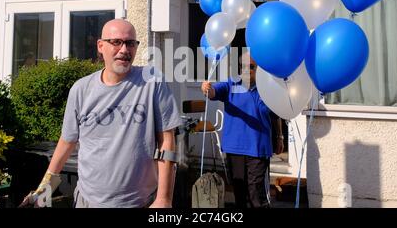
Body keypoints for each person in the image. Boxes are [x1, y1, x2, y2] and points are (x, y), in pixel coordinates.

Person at [20, 19, 182, 208]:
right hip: (87, 201)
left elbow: (167, 140)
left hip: (140, 202)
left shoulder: (152, 81)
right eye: (116, 42)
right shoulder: (81, 89)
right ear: (100, 46)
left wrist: (163, 199)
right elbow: (67, 142)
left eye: (130, 43)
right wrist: (43, 191)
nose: (124, 50)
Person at [201, 51, 284, 208]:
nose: (246, 70)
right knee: (239, 193)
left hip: (258, 148)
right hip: (235, 148)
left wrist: (279, 137)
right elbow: (213, 92)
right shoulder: (231, 84)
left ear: (260, 69)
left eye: (251, 67)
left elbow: (275, 114)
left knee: (256, 194)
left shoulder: (268, 88)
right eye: (242, 66)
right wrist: (207, 88)